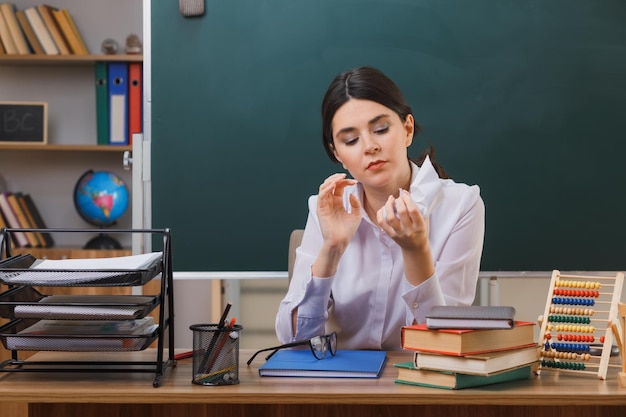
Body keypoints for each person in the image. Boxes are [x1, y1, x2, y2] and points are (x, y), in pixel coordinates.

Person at [275, 66, 485, 351]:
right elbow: (293, 341)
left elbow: (445, 343)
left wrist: (415, 251)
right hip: (340, 385)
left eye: (381, 129)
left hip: (418, 384)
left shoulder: (461, 204)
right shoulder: (326, 208)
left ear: (407, 129)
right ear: (338, 154)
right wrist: (333, 247)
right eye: (351, 140)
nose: (370, 146)